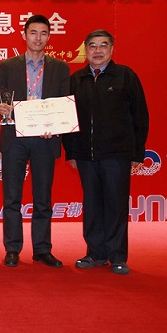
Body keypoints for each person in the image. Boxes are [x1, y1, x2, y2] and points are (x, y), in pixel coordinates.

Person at [63, 29, 149, 275]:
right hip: (85, 155)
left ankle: (117, 255)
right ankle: (95, 253)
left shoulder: (125, 76)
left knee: (115, 204)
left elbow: (140, 116)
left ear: (112, 49)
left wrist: (137, 153)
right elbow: (68, 119)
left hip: (117, 154)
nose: (98, 51)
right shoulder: (76, 79)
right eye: (92, 46)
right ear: (86, 50)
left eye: (103, 45)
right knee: (92, 205)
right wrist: (71, 152)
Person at [0, 14, 70, 268]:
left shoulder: (60, 68)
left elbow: (64, 103)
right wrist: (2, 108)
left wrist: (54, 126)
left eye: (43, 33)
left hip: (44, 139)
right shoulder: (8, 65)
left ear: (49, 37)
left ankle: (42, 249)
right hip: (14, 137)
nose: (38, 38)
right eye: (33, 32)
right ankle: (12, 248)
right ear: (24, 35)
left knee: (43, 197)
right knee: (11, 198)